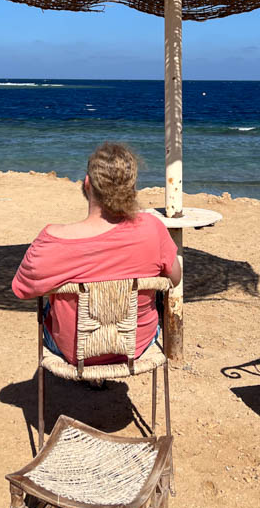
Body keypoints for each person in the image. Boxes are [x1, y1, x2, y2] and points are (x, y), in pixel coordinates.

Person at [11, 142, 181, 367]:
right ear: (131, 186)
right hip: (135, 347)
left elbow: (22, 289)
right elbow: (175, 278)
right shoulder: (153, 228)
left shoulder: (52, 240)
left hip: (75, 351)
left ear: (88, 183)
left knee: (51, 305)